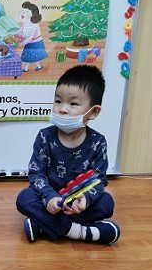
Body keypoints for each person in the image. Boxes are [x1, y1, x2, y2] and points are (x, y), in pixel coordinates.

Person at [16, 65, 120, 244]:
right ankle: (80, 232)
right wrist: (49, 197)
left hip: (77, 204)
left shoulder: (98, 142)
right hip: (50, 201)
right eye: (58, 101)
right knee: (24, 198)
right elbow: (36, 173)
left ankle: (44, 225)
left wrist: (86, 199)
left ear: (93, 112)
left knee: (107, 202)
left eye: (73, 104)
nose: (62, 109)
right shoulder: (45, 136)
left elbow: (98, 180)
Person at [15, 1, 48, 72]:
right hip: (28, 42)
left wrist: (23, 43)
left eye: (26, 12)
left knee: (34, 57)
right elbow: (21, 30)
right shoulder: (26, 23)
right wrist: (14, 34)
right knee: (29, 57)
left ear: (33, 16)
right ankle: (28, 68)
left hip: (35, 43)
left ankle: (37, 66)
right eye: (23, 11)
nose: (23, 13)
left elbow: (31, 37)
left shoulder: (35, 26)